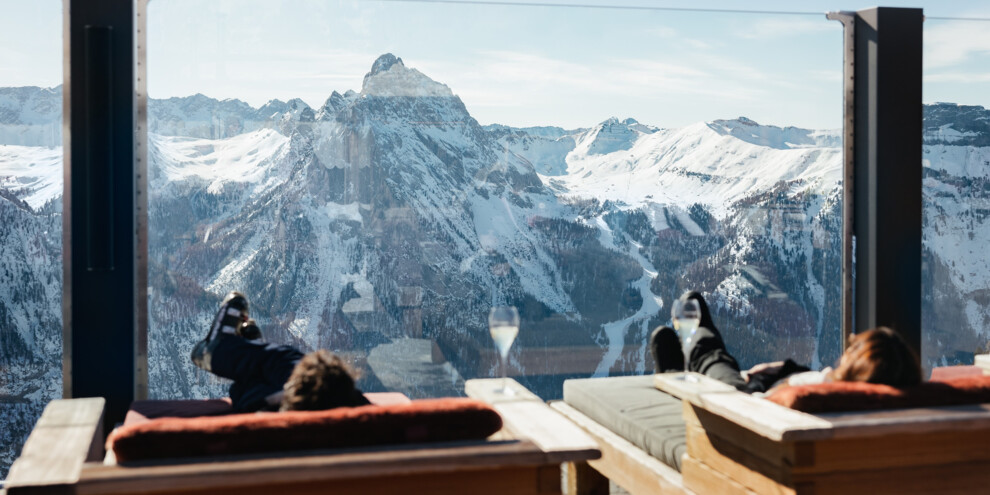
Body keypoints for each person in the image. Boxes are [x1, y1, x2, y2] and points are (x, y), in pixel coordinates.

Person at [650, 291, 922, 393]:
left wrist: (762, 379)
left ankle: (678, 370)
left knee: (712, 359)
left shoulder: (819, 395)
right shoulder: (908, 407)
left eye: (851, 350)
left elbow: (761, 397)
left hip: (738, 402)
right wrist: (785, 368)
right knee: (714, 358)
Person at [191, 291, 370, 413]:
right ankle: (251, 354)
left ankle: (219, 350)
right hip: (270, 409)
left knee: (295, 363)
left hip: (318, 405)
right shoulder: (374, 427)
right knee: (249, 393)